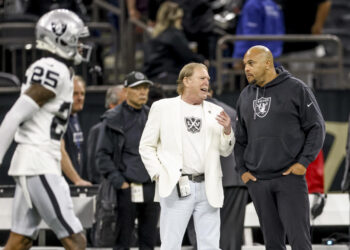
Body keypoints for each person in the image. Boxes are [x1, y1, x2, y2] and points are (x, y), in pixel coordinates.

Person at [0, 9, 92, 250]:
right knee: (76, 241)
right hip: (38, 162)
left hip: (38, 161)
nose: (81, 45)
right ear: (60, 38)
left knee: (18, 242)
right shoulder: (53, 68)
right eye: (77, 39)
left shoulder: (61, 69)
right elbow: (14, 116)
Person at [235, 45, 325, 249]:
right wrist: (242, 171)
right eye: (244, 65)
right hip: (258, 182)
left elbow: (317, 128)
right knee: (272, 244)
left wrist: (303, 163)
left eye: (251, 63)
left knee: (299, 241)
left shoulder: (296, 88)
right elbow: (240, 139)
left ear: (268, 63)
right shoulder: (245, 95)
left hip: (289, 179)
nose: (246, 69)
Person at [139, 62, 234, 249]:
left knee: (211, 245)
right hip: (177, 185)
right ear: (187, 80)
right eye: (202, 78)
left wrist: (227, 131)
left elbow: (225, 150)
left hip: (208, 187)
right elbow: (146, 146)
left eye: (208, 78)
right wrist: (159, 173)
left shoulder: (215, 111)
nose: (208, 81)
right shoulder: (162, 108)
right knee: (171, 244)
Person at [96, 71, 160, 250]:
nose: (142, 92)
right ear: (126, 91)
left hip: (151, 186)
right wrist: (120, 182)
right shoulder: (113, 118)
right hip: (126, 188)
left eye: (145, 88)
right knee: (122, 241)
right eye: (137, 88)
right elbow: (102, 155)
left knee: (149, 242)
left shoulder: (154, 116)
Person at [143, 1, 206, 85]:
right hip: (168, 77)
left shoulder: (155, 35)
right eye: (180, 18)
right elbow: (188, 56)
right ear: (176, 18)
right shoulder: (174, 35)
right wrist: (202, 60)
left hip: (152, 78)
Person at [280, 0, 331, 86]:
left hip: (303, 46)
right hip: (281, 46)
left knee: (302, 87)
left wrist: (318, 25)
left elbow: (325, 2)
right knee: (283, 87)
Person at [86, 84, 126, 184]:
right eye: (125, 104)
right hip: (108, 191)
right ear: (112, 106)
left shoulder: (132, 128)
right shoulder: (97, 131)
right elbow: (94, 169)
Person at [63, 75, 87, 180]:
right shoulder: (60, 118)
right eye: (75, 94)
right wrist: (77, 180)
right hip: (62, 183)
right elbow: (60, 152)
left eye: (82, 94)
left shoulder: (75, 117)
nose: (80, 98)